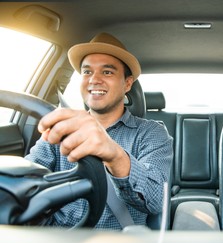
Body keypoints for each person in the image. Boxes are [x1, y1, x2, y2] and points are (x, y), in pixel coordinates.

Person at [25, 33, 173, 230]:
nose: (94, 80)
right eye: (87, 72)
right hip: (56, 241)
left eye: (107, 72)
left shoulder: (151, 133)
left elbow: (155, 201)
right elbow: (27, 176)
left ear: (127, 84)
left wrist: (115, 155)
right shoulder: (63, 127)